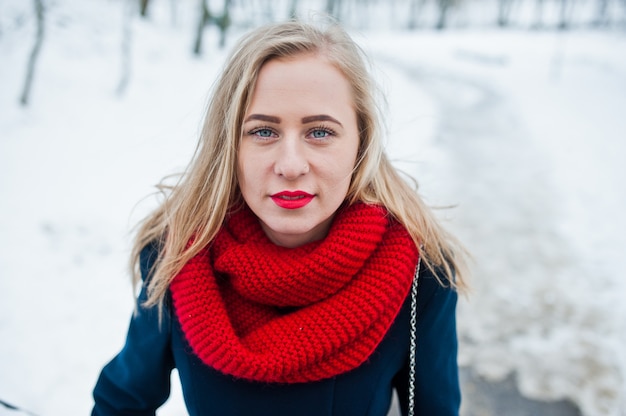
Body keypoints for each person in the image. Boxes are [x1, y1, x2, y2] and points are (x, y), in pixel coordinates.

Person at [91, 18, 468, 416]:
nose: (291, 166)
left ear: (362, 141)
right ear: (229, 144)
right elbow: (122, 402)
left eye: (320, 132)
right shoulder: (180, 252)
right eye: (263, 132)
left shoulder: (419, 272)